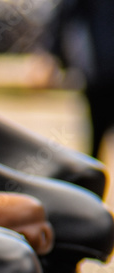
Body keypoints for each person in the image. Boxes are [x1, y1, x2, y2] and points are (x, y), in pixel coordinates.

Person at [49, 0, 114, 157]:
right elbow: (66, 20)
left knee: (97, 130)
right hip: (97, 74)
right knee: (96, 129)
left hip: (98, 71)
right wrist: (56, 57)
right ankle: (92, 166)